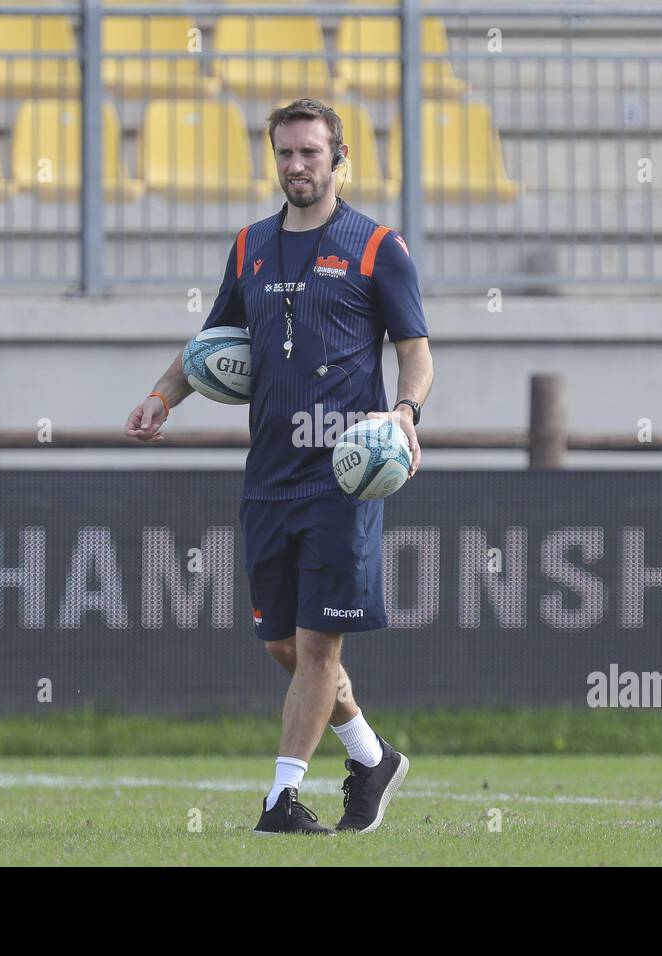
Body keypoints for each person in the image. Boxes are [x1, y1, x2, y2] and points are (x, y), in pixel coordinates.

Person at [126, 98, 434, 835]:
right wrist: (163, 395)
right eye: (286, 154)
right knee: (284, 646)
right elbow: (211, 343)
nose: (297, 166)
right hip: (268, 473)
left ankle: (280, 801)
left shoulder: (376, 247)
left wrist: (404, 412)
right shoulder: (250, 247)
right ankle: (371, 755)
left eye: (311, 153)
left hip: (343, 475)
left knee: (322, 642)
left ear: (339, 157)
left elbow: (416, 350)